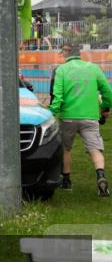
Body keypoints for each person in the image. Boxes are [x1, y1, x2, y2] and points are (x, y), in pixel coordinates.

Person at [48, 43, 112, 196]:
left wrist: (51, 112)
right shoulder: (94, 68)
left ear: (66, 54)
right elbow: (108, 93)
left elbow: (57, 97)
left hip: (68, 117)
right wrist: (104, 107)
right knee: (95, 149)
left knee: (66, 149)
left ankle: (67, 181)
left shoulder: (61, 70)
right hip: (90, 117)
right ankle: (101, 176)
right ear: (80, 54)